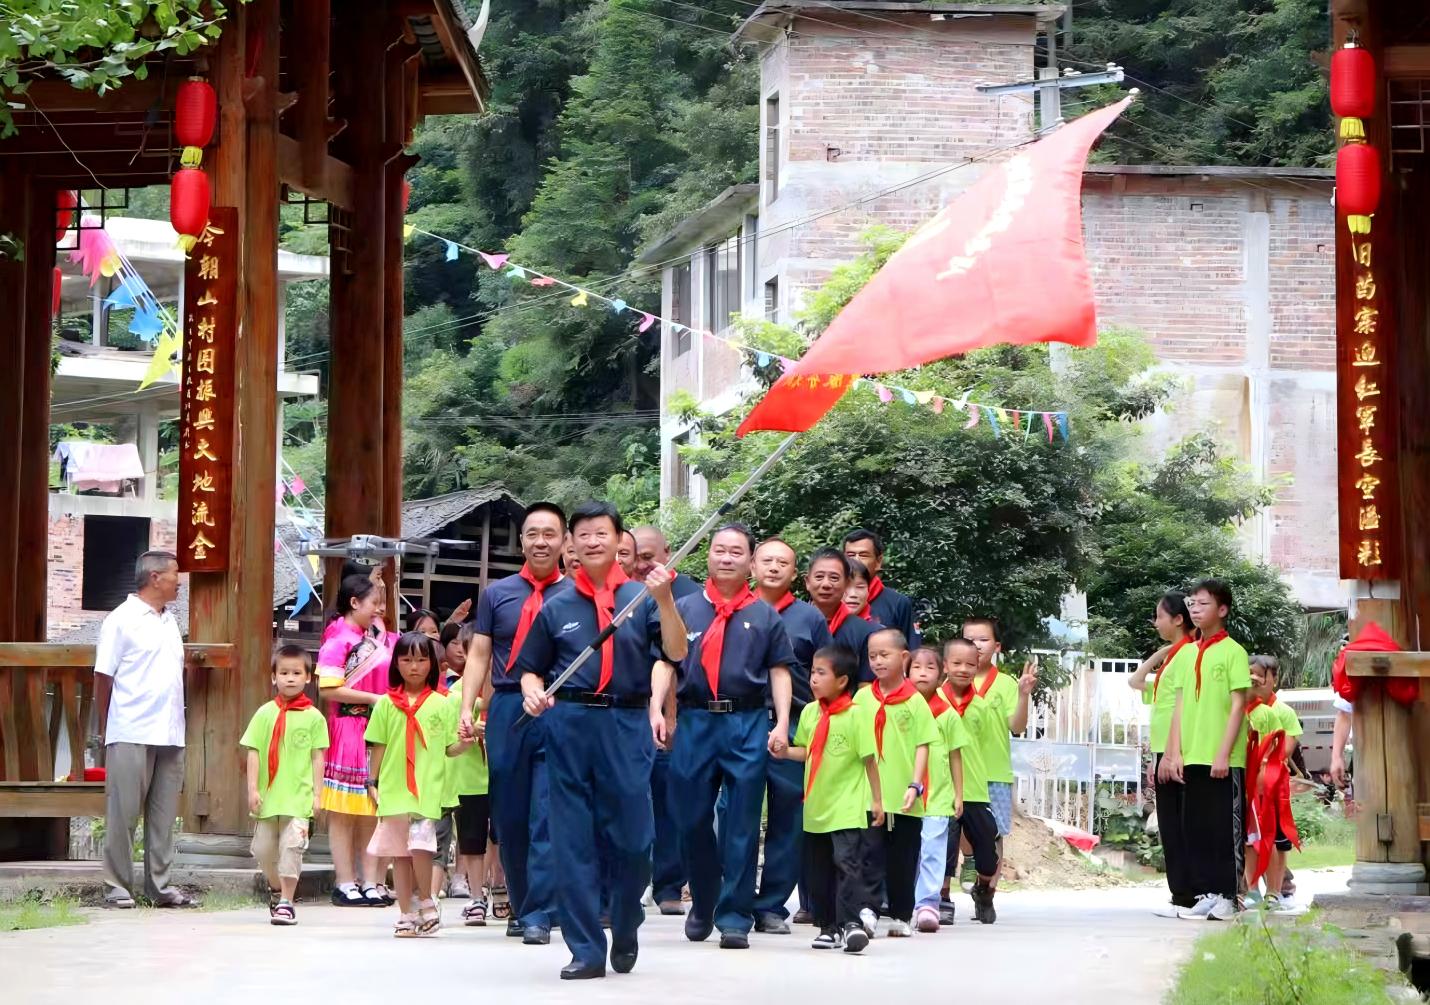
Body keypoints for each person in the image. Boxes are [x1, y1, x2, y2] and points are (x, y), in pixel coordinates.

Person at [515, 500, 688, 980]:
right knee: (571, 842)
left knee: (634, 841)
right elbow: (530, 669)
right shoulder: (556, 606)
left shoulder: (642, 596)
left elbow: (675, 651)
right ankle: (586, 949)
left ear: (618, 541)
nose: (592, 542)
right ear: (572, 544)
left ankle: (626, 921)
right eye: (584, 535)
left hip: (626, 723)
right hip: (569, 724)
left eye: (602, 533)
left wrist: (666, 600)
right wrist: (532, 693)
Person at [657, 523, 795, 950]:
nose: (727, 557)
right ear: (709, 555)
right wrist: (656, 709)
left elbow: (779, 671)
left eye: (737, 552)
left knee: (742, 822)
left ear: (750, 562)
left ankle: (735, 916)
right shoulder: (683, 606)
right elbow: (666, 661)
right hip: (695, 720)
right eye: (720, 550)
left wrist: (781, 722)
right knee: (691, 819)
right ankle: (704, 899)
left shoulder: (765, 615)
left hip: (746, 721)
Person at [458, 502, 571, 941]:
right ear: (521, 541)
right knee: (509, 815)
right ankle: (523, 906)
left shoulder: (576, 595)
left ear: (564, 541)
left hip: (557, 708)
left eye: (549, 533)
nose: (541, 542)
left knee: (548, 812)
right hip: (507, 708)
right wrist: (468, 706)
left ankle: (541, 911)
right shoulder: (496, 594)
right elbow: (479, 655)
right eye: (532, 534)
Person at [95, 550, 198, 909]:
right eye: (174, 573)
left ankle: (160, 887)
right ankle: (117, 886)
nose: (179, 581)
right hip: (131, 728)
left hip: (169, 730)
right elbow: (103, 677)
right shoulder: (121, 620)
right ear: (155, 577)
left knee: (164, 816)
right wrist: (105, 726)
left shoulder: (169, 621)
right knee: (123, 814)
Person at [751, 538, 833, 930]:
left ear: (794, 573)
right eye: (766, 560)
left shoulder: (809, 618)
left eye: (782, 562)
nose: (773, 567)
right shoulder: (735, 610)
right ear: (752, 566)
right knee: (733, 813)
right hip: (743, 720)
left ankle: (771, 906)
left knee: (789, 817)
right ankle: (732, 898)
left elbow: (827, 672)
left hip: (797, 724)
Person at [779, 646, 881, 953]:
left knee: (847, 864)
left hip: (847, 806)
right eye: (812, 672)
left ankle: (851, 924)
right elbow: (806, 751)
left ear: (842, 680)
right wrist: (784, 751)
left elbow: (869, 759)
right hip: (816, 807)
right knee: (818, 871)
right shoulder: (810, 713)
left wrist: (877, 800)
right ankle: (828, 927)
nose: (813, 678)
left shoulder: (856, 715)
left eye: (821, 673)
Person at [1161, 578, 1251, 922]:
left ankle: (1229, 895)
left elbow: (1238, 705)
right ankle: (1208, 892)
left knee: (1223, 829)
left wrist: (1223, 753)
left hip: (1222, 757)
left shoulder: (1233, 652)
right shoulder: (1187, 654)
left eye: (1203, 604)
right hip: (1192, 755)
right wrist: (1173, 753)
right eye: (1192, 604)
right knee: (1196, 828)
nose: (1195, 610)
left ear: (1222, 609)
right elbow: (1179, 706)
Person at [630, 523, 703, 917]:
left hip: (671, 710)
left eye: (649, 556)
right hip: (623, 710)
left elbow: (674, 660)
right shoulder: (621, 593)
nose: (642, 565)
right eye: (634, 557)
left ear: (668, 551)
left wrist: (669, 713)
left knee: (669, 798)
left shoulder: (690, 594)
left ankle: (669, 883)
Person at [365, 632, 455, 937]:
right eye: (406, 660)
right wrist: (372, 782)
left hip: (426, 790)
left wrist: (468, 740)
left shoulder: (442, 704)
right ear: (396, 664)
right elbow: (378, 746)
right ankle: (406, 913)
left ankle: (426, 901)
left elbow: (450, 747)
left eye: (420, 659)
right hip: (393, 789)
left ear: (432, 664)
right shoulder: (385, 704)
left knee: (421, 848)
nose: (414, 666)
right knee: (399, 855)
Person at [318, 574, 396, 907]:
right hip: (349, 726)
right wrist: (374, 699)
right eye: (373, 603)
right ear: (354, 603)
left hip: (374, 728)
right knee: (343, 810)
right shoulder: (338, 640)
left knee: (370, 808)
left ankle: (368, 880)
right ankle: (345, 881)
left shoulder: (373, 639)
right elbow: (328, 689)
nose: (379, 609)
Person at [853, 628, 935, 938]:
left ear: (904, 657)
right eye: (872, 656)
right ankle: (868, 909)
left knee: (903, 857)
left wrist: (915, 785)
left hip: (904, 796)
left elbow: (923, 745)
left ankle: (901, 914)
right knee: (868, 853)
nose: (877, 661)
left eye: (884, 655)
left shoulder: (915, 701)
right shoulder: (862, 698)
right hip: (868, 794)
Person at [240, 644, 329, 925]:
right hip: (269, 797)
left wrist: (318, 794)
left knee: (292, 847)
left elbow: (317, 757)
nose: (290, 678)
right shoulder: (264, 713)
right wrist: (252, 789)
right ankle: (277, 888)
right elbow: (253, 752)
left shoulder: (314, 717)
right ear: (273, 677)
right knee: (264, 850)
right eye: (284, 673)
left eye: (297, 673)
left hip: (299, 798)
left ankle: (287, 902)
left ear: (308, 677)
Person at [1127, 591, 1198, 916]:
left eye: (1159, 616)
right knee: (1170, 826)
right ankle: (1180, 894)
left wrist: (1173, 753)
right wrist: (1160, 653)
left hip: (1176, 751)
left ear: (1178, 619)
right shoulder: (1175, 656)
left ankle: (1187, 895)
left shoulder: (1189, 655)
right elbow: (1135, 681)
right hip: (1163, 750)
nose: (1155, 623)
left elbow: (1185, 707)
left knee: (1179, 826)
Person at [961, 618, 1036, 854]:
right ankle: (968, 867)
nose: (976, 645)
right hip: (959, 773)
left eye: (983, 639)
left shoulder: (1006, 684)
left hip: (994, 773)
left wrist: (1023, 695)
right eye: (969, 640)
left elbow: (1017, 726)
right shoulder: (952, 683)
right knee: (960, 829)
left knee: (994, 833)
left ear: (997, 647)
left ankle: (990, 878)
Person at [941, 637, 1002, 924]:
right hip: (942, 789)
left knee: (987, 851)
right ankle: (942, 898)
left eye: (970, 664)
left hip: (975, 789)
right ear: (945, 666)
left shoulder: (981, 706)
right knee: (944, 847)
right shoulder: (933, 703)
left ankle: (983, 889)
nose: (963, 669)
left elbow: (985, 747)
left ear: (977, 667)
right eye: (957, 663)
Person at [908, 646, 967, 932]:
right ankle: (902, 901)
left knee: (933, 849)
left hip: (938, 794)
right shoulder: (902, 710)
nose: (923, 673)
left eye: (929, 667)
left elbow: (956, 755)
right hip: (905, 795)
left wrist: (959, 794)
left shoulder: (947, 714)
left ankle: (928, 904)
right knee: (908, 850)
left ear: (941, 672)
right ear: (907, 671)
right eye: (916, 667)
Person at [1243, 655, 1302, 911]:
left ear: (1273, 679)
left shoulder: (1283, 713)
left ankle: (1275, 891)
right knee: (1250, 839)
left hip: (1272, 784)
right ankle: (1252, 890)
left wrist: (1263, 766)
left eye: (1260, 674)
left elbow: (1283, 751)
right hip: (1246, 783)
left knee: (1276, 839)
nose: (1254, 678)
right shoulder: (1240, 709)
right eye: (1249, 673)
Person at [805, 548, 877, 681]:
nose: (826, 584)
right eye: (819, 577)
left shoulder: (866, 632)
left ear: (846, 584)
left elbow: (868, 685)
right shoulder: (789, 623)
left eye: (834, 578)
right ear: (807, 582)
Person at [842, 529, 919, 646]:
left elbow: (912, 649)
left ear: (878, 561)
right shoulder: (831, 600)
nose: (856, 560)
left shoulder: (898, 603)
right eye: (850, 555)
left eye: (863, 555)